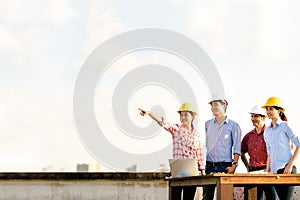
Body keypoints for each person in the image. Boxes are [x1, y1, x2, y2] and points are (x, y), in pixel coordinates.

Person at [139, 102, 205, 200]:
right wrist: (149, 113)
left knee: (189, 198)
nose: (183, 117)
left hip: (192, 173)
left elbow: (199, 154)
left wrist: (203, 172)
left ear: (193, 116)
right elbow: (163, 122)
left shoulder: (197, 134)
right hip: (177, 172)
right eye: (181, 115)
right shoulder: (177, 129)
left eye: (186, 115)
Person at [202, 96, 242, 200]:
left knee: (226, 197)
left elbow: (237, 147)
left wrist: (234, 166)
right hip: (209, 166)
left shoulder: (234, 126)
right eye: (212, 105)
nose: (213, 107)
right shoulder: (207, 124)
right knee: (206, 197)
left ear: (224, 105)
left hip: (225, 167)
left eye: (216, 104)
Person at [262, 97, 300, 200]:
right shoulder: (267, 131)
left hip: (287, 170)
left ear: (279, 111)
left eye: (271, 109)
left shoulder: (285, 126)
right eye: (267, 109)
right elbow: (269, 153)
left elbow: (299, 145)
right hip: (275, 172)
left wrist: (289, 165)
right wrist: (268, 170)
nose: (268, 111)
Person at [241, 105, 277, 200]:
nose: (253, 119)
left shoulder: (270, 133)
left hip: (267, 171)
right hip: (252, 172)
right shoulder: (248, 136)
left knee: (272, 198)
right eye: (252, 116)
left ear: (263, 118)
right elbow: (241, 152)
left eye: (256, 116)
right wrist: (248, 166)